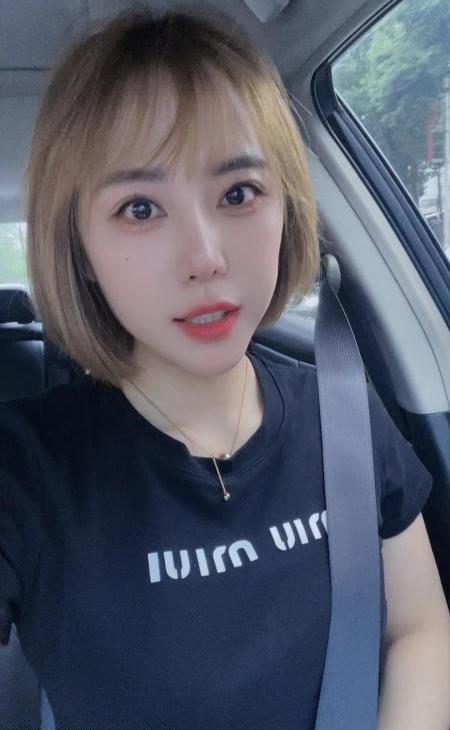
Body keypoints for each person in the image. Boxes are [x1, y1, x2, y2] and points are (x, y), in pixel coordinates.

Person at [0, 6, 447, 730]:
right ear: (79, 250)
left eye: (238, 193)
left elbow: (419, 627)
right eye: (140, 208)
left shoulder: (345, 417)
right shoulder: (25, 471)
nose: (205, 257)